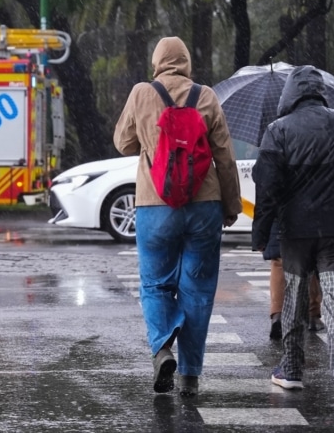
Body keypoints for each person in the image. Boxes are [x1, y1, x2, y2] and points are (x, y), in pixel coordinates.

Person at [114, 36, 242, 397]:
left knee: (155, 284)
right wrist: (230, 205)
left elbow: (123, 143)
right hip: (204, 205)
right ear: (186, 62)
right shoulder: (206, 96)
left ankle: (162, 349)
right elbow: (225, 157)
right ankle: (190, 375)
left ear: (157, 62)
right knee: (197, 290)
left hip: (155, 204)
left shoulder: (142, 93)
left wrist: (152, 137)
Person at [252, 65, 334, 411]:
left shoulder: (278, 130)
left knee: (295, 303)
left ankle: (293, 369)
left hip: (297, 231)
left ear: (290, 95)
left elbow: (267, 187)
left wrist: (260, 232)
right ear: (319, 91)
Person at [263, 221, 324, 340]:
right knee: (310, 259)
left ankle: (278, 314)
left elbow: (265, 204)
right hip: (311, 218)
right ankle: (312, 314)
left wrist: (260, 234)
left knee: (279, 261)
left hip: (281, 219)